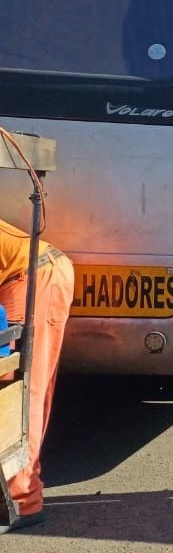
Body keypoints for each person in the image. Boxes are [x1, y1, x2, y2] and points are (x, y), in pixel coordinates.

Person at [0, 217, 73, 533]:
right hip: (36, 273)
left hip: (33, 278)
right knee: (25, 387)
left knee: (19, 389)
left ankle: (23, 501)